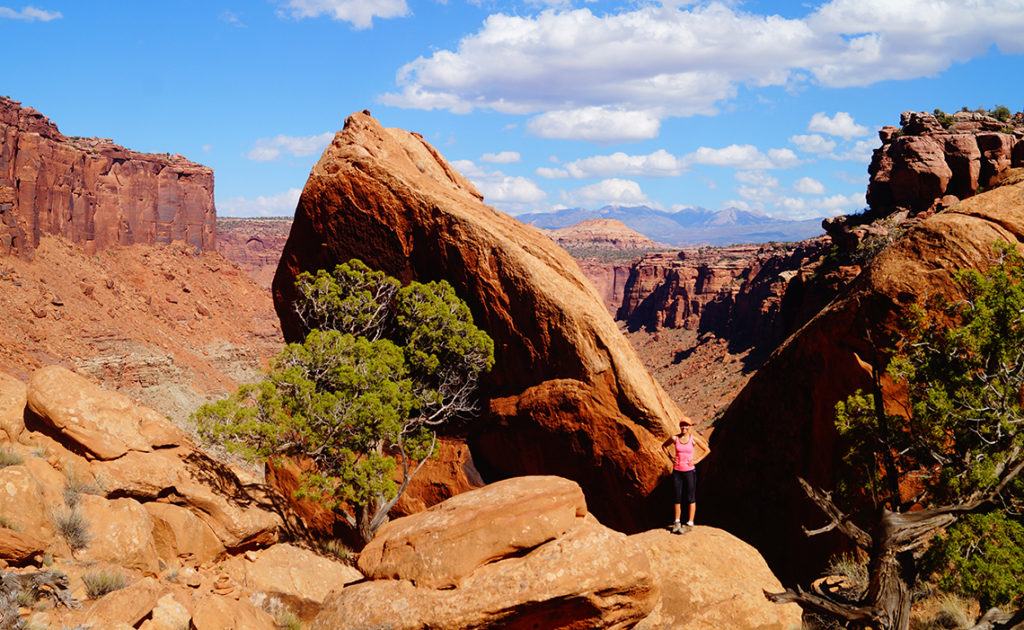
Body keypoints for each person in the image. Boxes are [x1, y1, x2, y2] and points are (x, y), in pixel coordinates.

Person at [667, 420, 697, 534]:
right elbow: (664, 446)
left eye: (686, 425)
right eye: (682, 425)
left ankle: (690, 523)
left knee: (691, 497)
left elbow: (707, 450)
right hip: (677, 471)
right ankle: (677, 522)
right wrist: (670, 457)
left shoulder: (692, 439)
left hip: (689, 471)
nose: (684, 427)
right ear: (680, 426)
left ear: (689, 426)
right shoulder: (675, 438)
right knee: (677, 497)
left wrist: (696, 460)